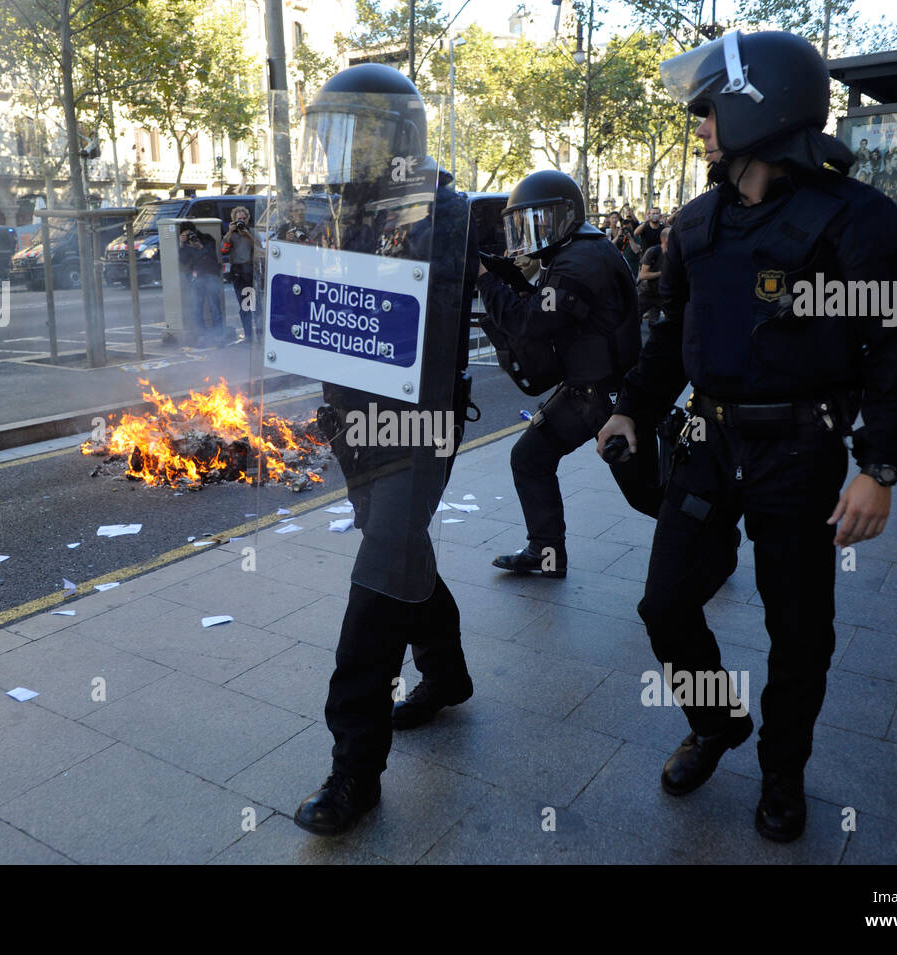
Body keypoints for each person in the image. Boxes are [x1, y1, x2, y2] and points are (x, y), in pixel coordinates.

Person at [597, 29, 897, 842]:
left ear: (759, 106)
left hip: (801, 449)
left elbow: (895, 348)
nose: (701, 126)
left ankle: (782, 771)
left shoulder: (857, 220)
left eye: (709, 110)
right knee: (666, 602)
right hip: (709, 441)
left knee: (800, 629)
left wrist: (878, 465)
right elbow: (675, 331)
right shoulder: (700, 220)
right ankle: (716, 723)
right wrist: (631, 408)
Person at [293, 64, 479, 837]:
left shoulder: (445, 211)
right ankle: (448, 671)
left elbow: (424, 311)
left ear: (401, 136)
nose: (345, 146)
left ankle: (353, 773)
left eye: (361, 129)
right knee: (396, 551)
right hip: (353, 422)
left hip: (416, 423)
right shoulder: (335, 208)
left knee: (374, 588)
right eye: (334, 131)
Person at [478, 170, 658, 579]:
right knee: (529, 459)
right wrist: (506, 277)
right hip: (583, 392)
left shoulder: (582, 258)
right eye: (526, 222)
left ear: (566, 217)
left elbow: (528, 323)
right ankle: (546, 553)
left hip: (611, 399)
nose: (534, 231)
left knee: (646, 493)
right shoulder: (575, 251)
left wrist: (485, 279)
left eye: (541, 220)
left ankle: (715, 538)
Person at [222, 205, 260, 344]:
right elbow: (223, 249)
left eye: (244, 219)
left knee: (255, 305)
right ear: (233, 220)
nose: (242, 222)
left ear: (248, 219)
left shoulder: (252, 232)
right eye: (239, 219)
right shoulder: (232, 234)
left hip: (250, 270)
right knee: (244, 305)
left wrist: (247, 234)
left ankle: (259, 334)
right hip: (238, 271)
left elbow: (259, 248)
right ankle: (248, 335)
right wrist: (230, 232)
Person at [638, 228, 670, 323]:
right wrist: (661, 273)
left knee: (655, 323)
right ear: (665, 239)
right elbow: (643, 275)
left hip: (661, 294)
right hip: (646, 293)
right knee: (634, 319)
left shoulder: (674, 253)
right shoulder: (653, 251)